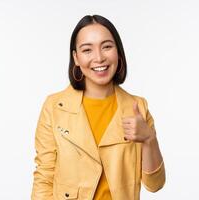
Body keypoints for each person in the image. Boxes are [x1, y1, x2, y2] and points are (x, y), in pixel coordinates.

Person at [31, 14, 165, 200]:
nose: (99, 58)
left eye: (107, 47)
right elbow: (44, 177)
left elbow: (155, 184)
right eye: (87, 50)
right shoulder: (54, 107)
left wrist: (149, 139)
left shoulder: (137, 107)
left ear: (118, 52)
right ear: (76, 58)